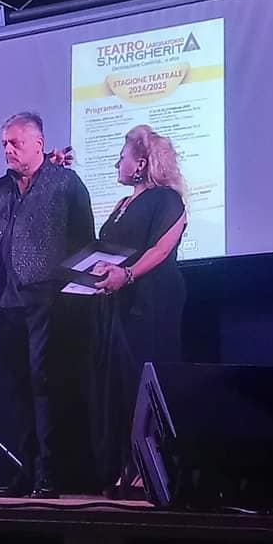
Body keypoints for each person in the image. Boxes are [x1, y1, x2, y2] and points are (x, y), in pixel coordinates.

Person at [0, 112, 95, 498]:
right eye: (4, 144)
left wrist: (73, 294)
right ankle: (26, 471)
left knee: (44, 384)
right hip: (5, 299)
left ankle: (49, 474)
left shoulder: (65, 183)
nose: (8, 150)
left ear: (39, 144)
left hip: (48, 299)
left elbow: (84, 239)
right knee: (17, 388)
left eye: (15, 143)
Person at [91, 124, 187, 494]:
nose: (116, 163)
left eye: (122, 157)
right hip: (118, 304)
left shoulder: (167, 200)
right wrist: (98, 271)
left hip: (151, 302)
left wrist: (127, 275)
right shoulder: (121, 205)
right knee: (117, 385)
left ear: (141, 163)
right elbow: (109, 249)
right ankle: (126, 465)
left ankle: (148, 469)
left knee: (142, 380)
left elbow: (160, 249)